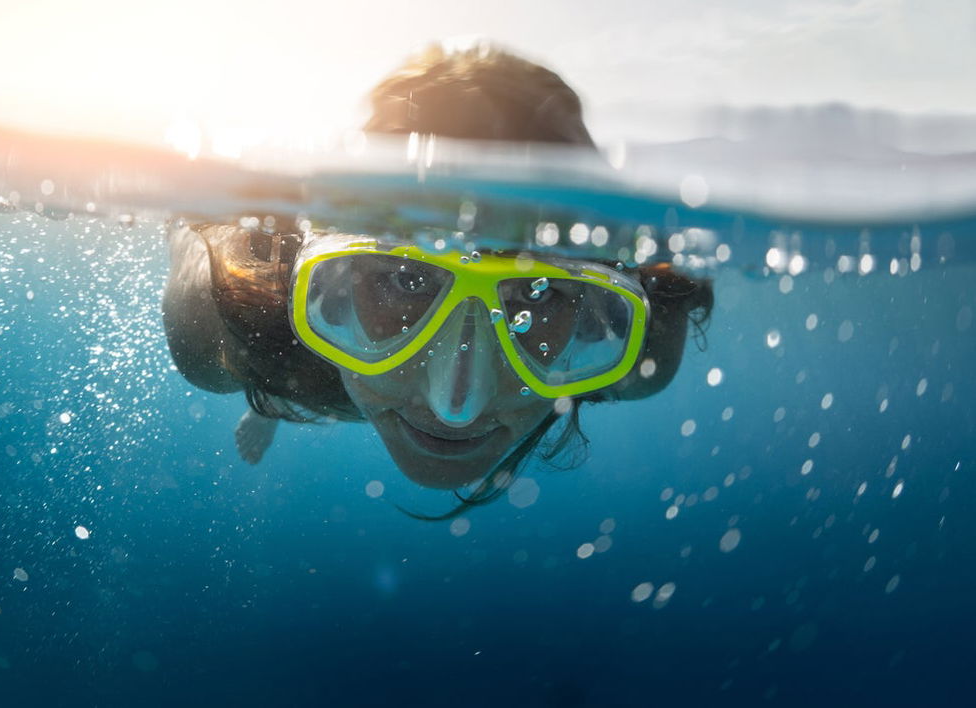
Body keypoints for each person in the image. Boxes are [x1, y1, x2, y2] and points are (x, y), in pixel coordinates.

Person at [163, 40, 712, 516]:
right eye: (403, 281)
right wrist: (267, 378)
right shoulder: (215, 327)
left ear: (598, 310)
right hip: (274, 340)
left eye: (537, 296)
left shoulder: (639, 352)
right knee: (255, 360)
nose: (457, 408)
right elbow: (188, 229)